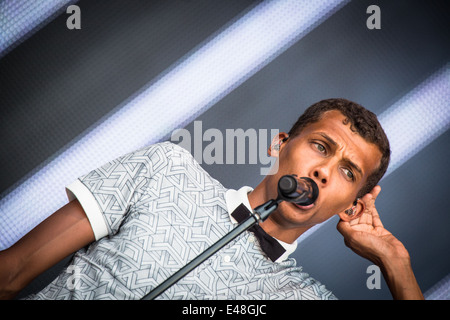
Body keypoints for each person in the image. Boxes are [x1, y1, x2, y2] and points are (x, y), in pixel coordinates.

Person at [0, 98, 424, 300]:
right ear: (278, 145)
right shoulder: (165, 170)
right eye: (321, 146)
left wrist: (396, 264)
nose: (324, 171)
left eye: (348, 172)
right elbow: (12, 271)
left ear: (351, 204)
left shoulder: (302, 297)